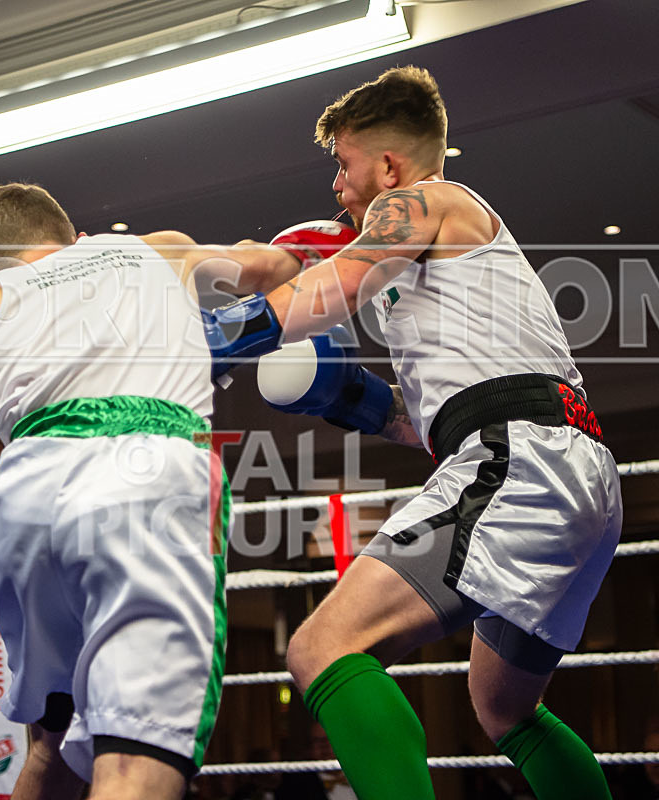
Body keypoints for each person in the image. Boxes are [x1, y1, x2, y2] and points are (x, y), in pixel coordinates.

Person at [205, 66, 623, 799]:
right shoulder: (451, 252)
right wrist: (356, 400)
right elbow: (447, 419)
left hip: (519, 463)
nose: (337, 185)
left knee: (323, 646)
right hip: (562, 462)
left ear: (389, 165)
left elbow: (337, 284)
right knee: (504, 707)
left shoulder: (421, 201)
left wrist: (214, 339)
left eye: (344, 163)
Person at [0, 183, 302, 800]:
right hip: (143, 479)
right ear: (77, 239)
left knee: (49, 746)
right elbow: (276, 265)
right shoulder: (154, 249)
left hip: (26, 511)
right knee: (134, 757)